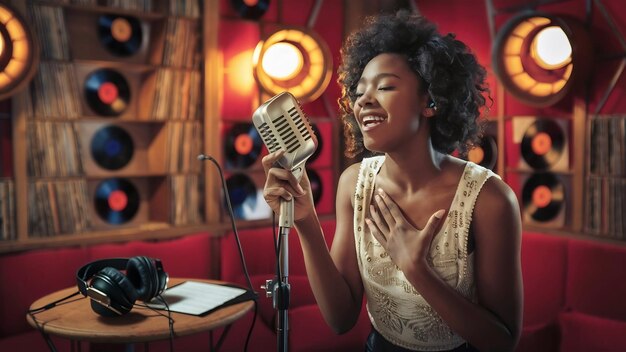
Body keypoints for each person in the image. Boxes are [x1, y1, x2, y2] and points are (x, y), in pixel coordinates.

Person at [261, 10, 522, 352]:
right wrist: (306, 222)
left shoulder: (490, 199)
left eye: (384, 86)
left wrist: (417, 270)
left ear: (430, 101)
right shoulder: (353, 184)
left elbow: (502, 342)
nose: (364, 100)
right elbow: (340, 318)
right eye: (359, 91)